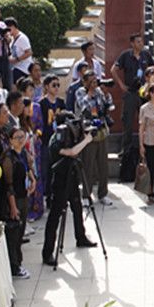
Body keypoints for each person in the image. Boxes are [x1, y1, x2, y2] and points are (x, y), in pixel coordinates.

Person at [41, 113, 97, 266]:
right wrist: (86, 140)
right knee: (55, 216)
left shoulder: (69, 137)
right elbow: (72, 152)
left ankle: (81, 237)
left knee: (77, 208)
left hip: (72, 177)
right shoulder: (56, 140)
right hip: (60, 181)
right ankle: (47, 253)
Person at [111, 34, 154, 156]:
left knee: (147, 120)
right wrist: (121, 85)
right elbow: (113, 69)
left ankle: (148, 147)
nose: (141, 44)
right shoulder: (126, 55)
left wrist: (150, 85)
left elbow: (153, 71)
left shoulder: (146, 55)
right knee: (128, 122)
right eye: (138, 42)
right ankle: (126, 149)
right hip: (130, 92)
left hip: (144, 93)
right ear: (132, 43)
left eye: (142, 42)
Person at [74, 72, 113, 206]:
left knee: (103, 166)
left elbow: (105, 107)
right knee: (88, 165)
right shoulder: (80, 92)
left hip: (101, 132)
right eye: (91, 82)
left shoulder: (99, 92)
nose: (95, 84)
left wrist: (106, 95)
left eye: (95, 81)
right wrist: (90, 94)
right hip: (88, 134)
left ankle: (103, 194)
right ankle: (86, 195)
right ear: (85, 82)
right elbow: (83, 107)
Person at [1, 127, 31, 279]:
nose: (20, 139)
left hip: (24, 195)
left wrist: (32, 179)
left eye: (22, 136)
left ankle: (18, 263)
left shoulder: (24, 153)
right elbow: (8, 184)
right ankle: (14, 266)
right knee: (14, 234)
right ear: (10, 140)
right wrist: (12, 206)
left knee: (20, 232)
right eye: (16, 137)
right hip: (15, 199)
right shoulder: (8, 157)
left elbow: (28, 170)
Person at [5, 18, 33, 84]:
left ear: (14, 27)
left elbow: (29, 52)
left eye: (9, 29)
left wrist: (17, 59)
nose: (8, 31)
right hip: (15, 67)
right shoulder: (11, 38)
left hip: (23, 68)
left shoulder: (22, 38)